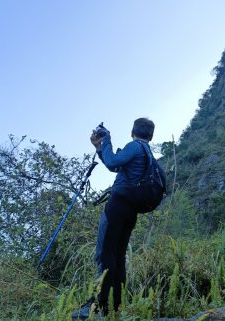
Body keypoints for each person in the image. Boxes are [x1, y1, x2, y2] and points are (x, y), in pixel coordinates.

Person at [72, 118, 156, 319]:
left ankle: (99, 306)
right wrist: (100, 148)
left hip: (117, 207)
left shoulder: (135, 146)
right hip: (131, 211)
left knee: (105, 254)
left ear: (131, 132)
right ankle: (114, 305)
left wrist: (106, 139)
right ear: (151, 136)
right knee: (117, 257)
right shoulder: (147, 154)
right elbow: (116, 166)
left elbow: (112, 162)